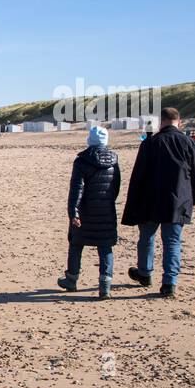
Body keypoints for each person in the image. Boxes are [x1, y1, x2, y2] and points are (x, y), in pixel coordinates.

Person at [121, 106, 195, 298]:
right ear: (179, 122)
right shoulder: (190, 143)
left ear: (161, 122)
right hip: (178, 201)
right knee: (172, 242)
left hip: (150, 201)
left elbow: (138, 176)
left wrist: (133, 202)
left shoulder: (150, 143)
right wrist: (194, 199)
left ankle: (145, 272)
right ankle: (169, 282)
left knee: (147, 238)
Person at [57, 125, 120, 299]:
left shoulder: (82, 160)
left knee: (76, 244)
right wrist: (107, 202)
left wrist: (73, 212)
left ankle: (71, 279)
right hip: (106, 209)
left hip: (85, 211)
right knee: (105, 246)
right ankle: (105, 286)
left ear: (89, 140)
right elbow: (116, 187)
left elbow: (76, 189)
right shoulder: (114, 161)